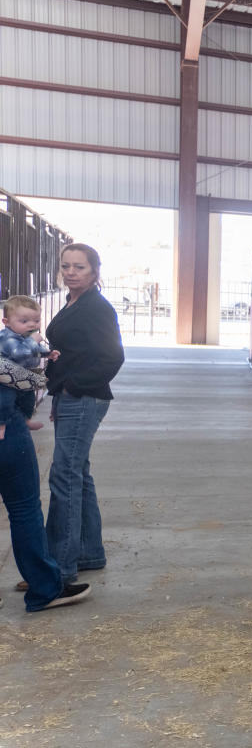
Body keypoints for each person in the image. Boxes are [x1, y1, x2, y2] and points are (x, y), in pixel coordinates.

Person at [42, 243, 124, 590]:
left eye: (79, 267)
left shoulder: (97, 308)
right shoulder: (73, 302)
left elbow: (112, 358)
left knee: (65, 477)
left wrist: (74, 385)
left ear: (94, 272)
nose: (71, 272)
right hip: (69, 396)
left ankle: (60, 569)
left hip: (83, 398)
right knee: (78, 474)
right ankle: (89, 553)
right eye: (66, 267)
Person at [0, 349, 92, 611]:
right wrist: (40, 376)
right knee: (24, 510)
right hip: (9, 434)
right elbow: (19, 376)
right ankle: (45, 589)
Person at [0, 295, 59, 433]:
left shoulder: (24, 337)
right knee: (5, 400)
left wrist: (47, 353)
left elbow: (34, 351)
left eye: (36, 320)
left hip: (22, 379)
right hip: (6, 380)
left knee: (29, 399)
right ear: (6, 322)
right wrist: (33, 341)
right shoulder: (7, 337)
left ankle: (27, 420)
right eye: (24, 321)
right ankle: (1, 425)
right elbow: (19, 353)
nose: (32, 325)